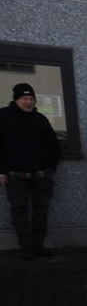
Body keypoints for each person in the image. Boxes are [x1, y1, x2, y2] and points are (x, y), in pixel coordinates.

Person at [0, 83, 61, 260]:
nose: (28, 102)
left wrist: (51, 166)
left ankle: (38, 244)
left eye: (31, 99)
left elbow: (54, 145)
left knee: (41, 209)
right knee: (19, 210)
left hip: (41, 174)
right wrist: (1, 171)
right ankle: (26, 247)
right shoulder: (3, 116)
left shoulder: (40, 119)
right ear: (16, 99)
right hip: (15, 175)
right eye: (24, 98)